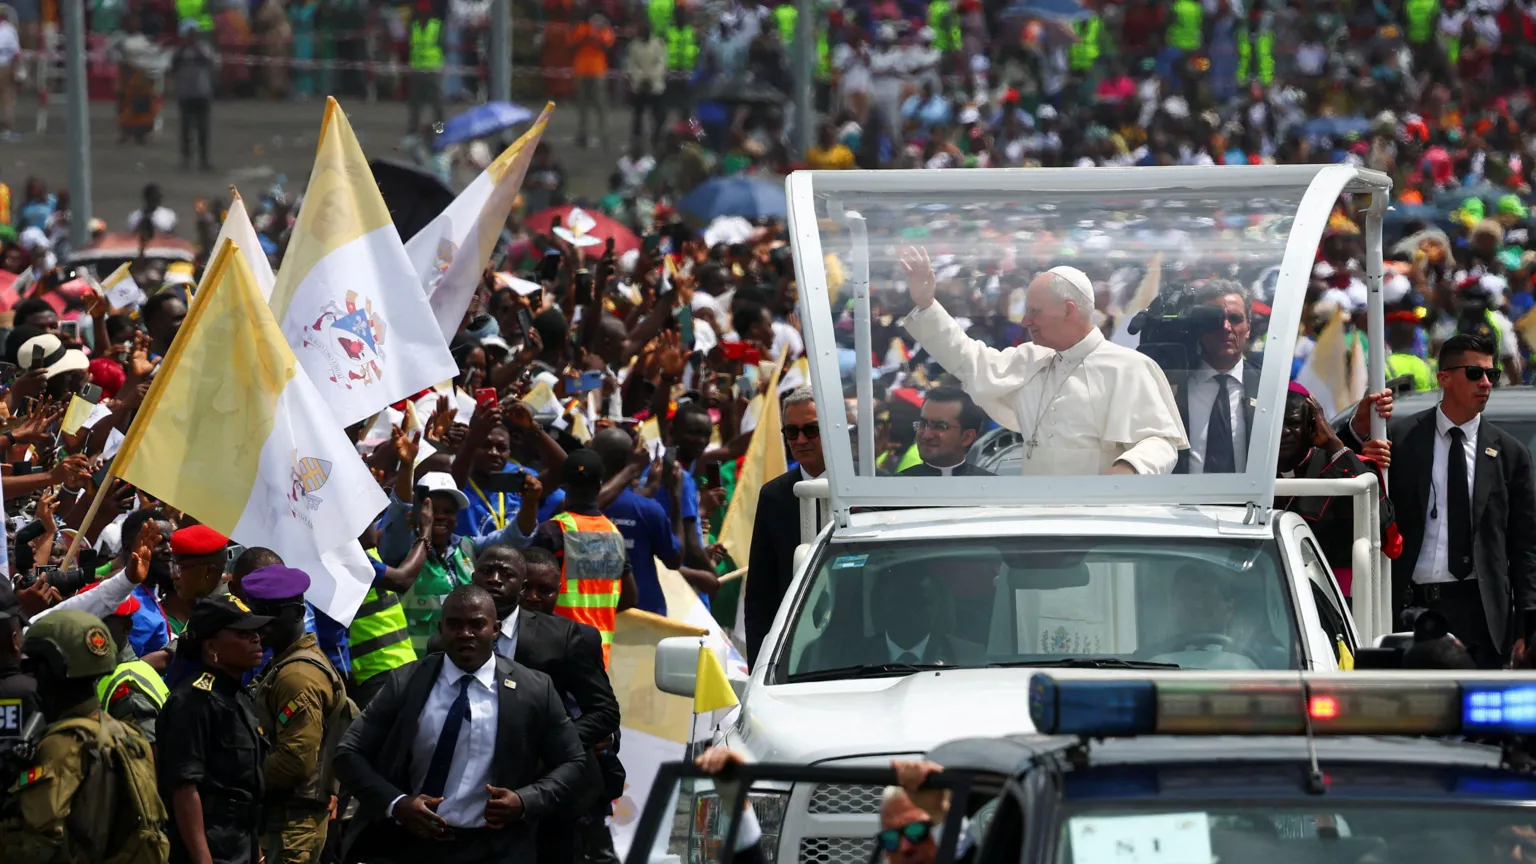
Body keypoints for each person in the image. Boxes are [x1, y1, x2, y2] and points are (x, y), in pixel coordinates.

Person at [334, 585, 588, 864]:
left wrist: (525, 800)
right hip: (408, 844)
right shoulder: (406, 682)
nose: (465, 633)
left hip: (495, 849)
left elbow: (573, 761)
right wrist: (397, 804)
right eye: (454, 625)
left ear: (495, 629)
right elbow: (348, 752)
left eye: (477, 624)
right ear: (441, 629)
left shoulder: (534, 689)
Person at [899, 247, 1186, 476]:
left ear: (1068, 310)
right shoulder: (1031, 359)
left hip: (1099, 516)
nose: (1026, 321)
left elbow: (1161, 443)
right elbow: (968, 359)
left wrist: (1130, 467)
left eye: (1035, 311)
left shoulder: (1129, 367)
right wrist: (927, 305)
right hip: (1036, 513)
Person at [1346, 334, 1536, 669]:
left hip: (1482, 615)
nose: (1486, 383)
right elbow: (1357, 503)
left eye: (1492, 374)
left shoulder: (1509, 453)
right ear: (1444, 377)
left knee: (1480, 703)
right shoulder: (1401, 439)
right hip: (1412, 610)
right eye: (1475, 373)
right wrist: (1361, 441)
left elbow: (1525, 547)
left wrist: (1527, 626)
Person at [468, 545, 622, 864]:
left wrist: (551, 749)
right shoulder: (458, 635)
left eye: (545, 590)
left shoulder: (572, 638)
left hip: (554, 794)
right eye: (529, 589)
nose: (534, 598)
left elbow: (603, 710)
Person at [0, 611, 169, 864]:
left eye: (33, 667)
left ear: (49, 670)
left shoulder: (62, 746)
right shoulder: (128, 735)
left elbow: (36, 844)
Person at [245, 565, 349, 864]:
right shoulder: (286, 663)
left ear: (296, 614)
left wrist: (239, 777)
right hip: (283, 820)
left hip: (291, 827)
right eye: (255, 613)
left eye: (269, 615)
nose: (259, 624)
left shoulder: (297, 676)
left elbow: (295, 761)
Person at [158, 598, 273, 864]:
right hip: (210, 845)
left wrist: (257, 854)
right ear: (211, 647)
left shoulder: (240, 697)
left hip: (242, 842)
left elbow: (247, 789)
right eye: (243, 633)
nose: (256, 639)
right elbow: (184, 788)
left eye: (255, 632)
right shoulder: (193, 701)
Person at [376, 470, 534, 654]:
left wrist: (530, 502)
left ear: (457, 518)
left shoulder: (468, 547)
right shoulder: (401, 549)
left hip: (457, 660)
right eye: (433, 509)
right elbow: (399, 511)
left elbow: (513, 539)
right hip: (413, 662)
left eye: (448, 511)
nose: (440, 516)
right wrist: (406, 466)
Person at [1273, 384, 1394, 598]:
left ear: (1313, 427)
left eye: (1292, 423)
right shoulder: (1252, 472)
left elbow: (1382, 520)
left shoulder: (1339, 465)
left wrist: (1334, 444)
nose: (1283, 432)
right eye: (1275, 423)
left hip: (1331, 596)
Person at [530, 449, 637, 668]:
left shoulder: (553, 531)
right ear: (599, 486)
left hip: (556, 652)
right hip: (598, 657)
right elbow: (629, 598)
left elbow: (531, 595)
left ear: (565, 486)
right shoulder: (614, 534)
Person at [745, 385, 825, 668]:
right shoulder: (774, 496)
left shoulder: (867, 487)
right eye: (791, 432)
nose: (800, 440)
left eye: (811, 430)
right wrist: (759, 667)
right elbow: (761, 592)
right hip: (794, 650)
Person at [1174, 284, 1261, 475]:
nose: (1226, 327)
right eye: (1215, 319)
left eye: (1235, 319)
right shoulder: (1173, 385)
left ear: (1248, 328)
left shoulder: (1267, 386)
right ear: (1198, 327)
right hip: (1181, 494)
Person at [899, 387, 993, 477]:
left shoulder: (989, 484)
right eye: (923, 424)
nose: (926, 435)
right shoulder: (898, 484)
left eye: (940, 426)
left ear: (967, 437)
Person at [171, 19, 217, 172]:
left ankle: (204, 159)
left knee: (203, 129)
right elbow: (173, 66)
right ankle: (186, 159)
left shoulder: (204, 48)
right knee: (186, 129)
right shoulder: (179, 50)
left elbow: (210, 62)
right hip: (185, 94)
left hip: (202, 93)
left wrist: (196, 49)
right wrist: (182, 50)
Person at [626, 21, 668, 147]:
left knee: (659, 116)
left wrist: (650, 77)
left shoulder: (658, 44)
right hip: (640, 86)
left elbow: (661, 63)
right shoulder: (634, 46)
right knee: (638, 115)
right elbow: (631, 64)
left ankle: (656, 137)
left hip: (655, 85)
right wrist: (642, 77)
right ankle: (637, 139)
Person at [406, 2, 445, 136]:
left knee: (436, 103)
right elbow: (410, 45)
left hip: (433, 68)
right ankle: (413, 128)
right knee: (415, 102)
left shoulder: (436, 25)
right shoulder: (414, 26)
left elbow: (442, 45)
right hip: (417, 68)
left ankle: (439, 129)